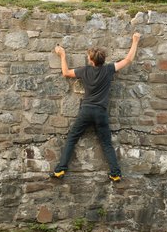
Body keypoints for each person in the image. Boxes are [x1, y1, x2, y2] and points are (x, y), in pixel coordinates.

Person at [51, 33, 141, 182]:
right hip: (101, 112)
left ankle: (60, 170)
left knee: (72, 138)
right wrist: (135, 41)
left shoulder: (85, 71)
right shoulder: (109, 69)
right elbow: (128, 59)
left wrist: (62, 55)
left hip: (86, 111)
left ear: (92, 61)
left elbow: (66, 72)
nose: (87, 59)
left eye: (88, 57)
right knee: (106, 143)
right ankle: (115, 173)